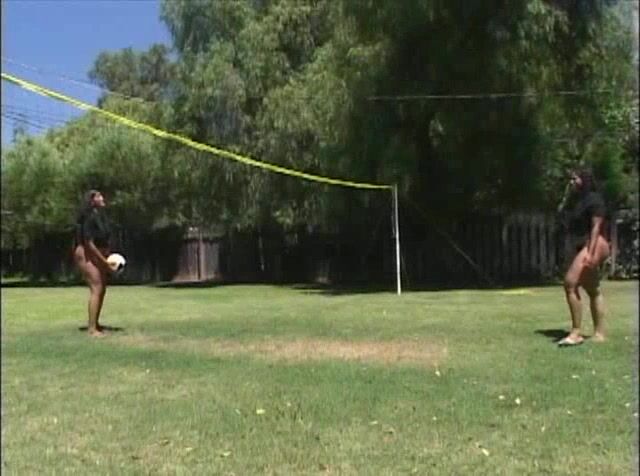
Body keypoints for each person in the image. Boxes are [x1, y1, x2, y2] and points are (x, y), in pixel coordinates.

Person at [558, 167, 611, 346]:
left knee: (570, 283)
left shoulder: (594, 199)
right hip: (582, 245)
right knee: (592, 289)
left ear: (584, 179)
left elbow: (596, 227)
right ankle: (599, 333)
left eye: (575, 179)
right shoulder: (577, 201)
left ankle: (576, 333)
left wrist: (591, 253)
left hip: (596, 242)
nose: (571, 182)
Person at [73, 190, 118, 337]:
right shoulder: (89, 217)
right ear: (92, 201)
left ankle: (95, 323)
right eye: (99, 196)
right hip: (86, 253)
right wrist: (104, 262)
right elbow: (89, 243)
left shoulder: (100, 216)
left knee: (102, 288)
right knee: (96, 287)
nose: (102, 198)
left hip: (97, 253)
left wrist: (108, 257)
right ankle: (92, 329)